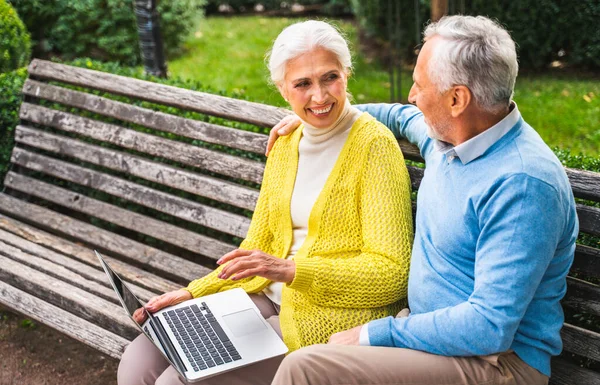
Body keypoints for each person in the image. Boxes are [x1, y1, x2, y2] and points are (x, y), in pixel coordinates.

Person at [266, 15, 578, 385]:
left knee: (305, 367)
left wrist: (375, 334)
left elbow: (488, 326)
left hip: (496, 363)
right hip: (431, 339)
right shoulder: (448, 138)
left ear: (457, 99)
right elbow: (400, 115)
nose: (412, 96)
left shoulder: (522, 185)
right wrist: (320, 115)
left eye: (419, 85)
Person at [117, 20, 414, 385]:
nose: (319, 96)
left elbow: (393, 274)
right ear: (282, 89)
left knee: (175, 382)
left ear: (347, 74)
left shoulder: (374, 147)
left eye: (330, 78)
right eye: (302, 84)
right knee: (137, 362)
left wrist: (292, 271)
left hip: (326, 319)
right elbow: (258, 247)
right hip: (262, 298)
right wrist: (193, 292)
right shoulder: (286, 144)